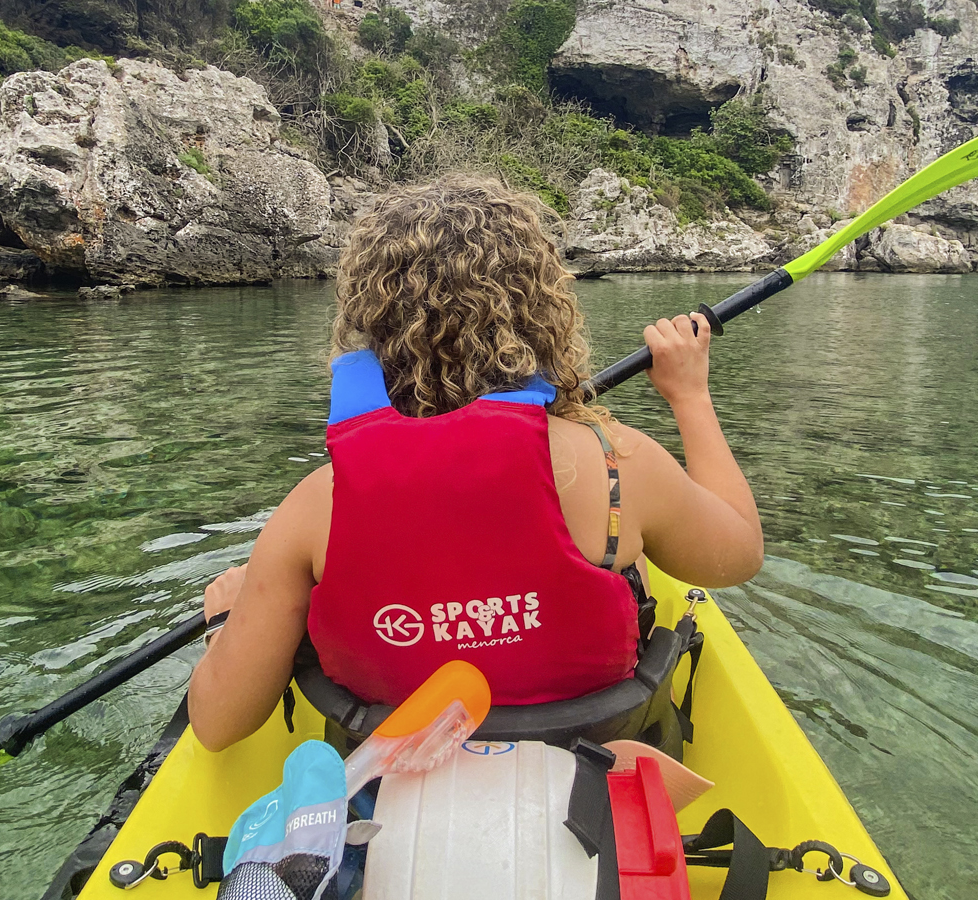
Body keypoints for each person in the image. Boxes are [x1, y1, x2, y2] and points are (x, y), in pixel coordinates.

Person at [189, 176, 763, 752]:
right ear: (542, 315)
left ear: (368, 325)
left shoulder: (316, 505)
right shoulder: (619, 466)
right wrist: (690, 396)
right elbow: (737, 555)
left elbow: (218, 726)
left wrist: (227, 622)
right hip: (589, 770)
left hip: (387, 790)